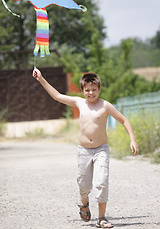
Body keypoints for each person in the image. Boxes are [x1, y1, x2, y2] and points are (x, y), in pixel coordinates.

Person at [32, 68, 139, 228]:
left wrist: (133, 139)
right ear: (82, 90)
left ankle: (101, 218)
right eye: (87, 90)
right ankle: (84, 204)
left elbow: (124, 120)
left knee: (101, 182)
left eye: (94, 90)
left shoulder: (105, 106)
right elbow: (57, 96)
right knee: (84, 185)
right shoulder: (79, 102)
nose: (90, 93)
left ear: (99, 89)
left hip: (101, 149)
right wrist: (41, 79)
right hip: (84, 151)